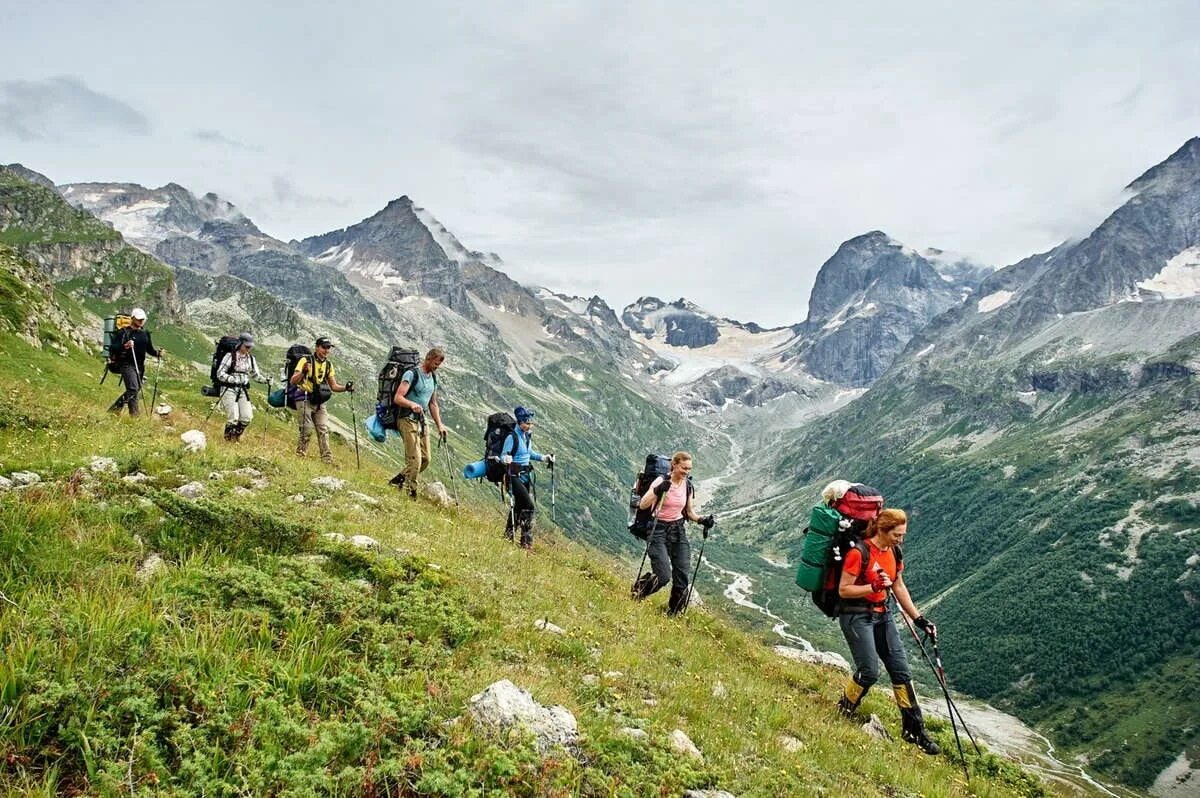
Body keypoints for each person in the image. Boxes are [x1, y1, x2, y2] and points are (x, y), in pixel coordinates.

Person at [836, 507, 941, 755]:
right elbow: (844, 590)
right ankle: (844, 708)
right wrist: (870, 586)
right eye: (897, 534)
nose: (901, 539)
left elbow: (898, 585)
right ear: (882, 530)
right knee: (869, 671)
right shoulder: (858, 552)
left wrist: (919, 619)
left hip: (883, 615)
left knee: (901, 672)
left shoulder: (894, 551)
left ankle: (914, 730)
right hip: (855, 615)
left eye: (903, 535)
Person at [630, 451, 714, 615]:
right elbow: (643, 505)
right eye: (684, 468)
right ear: (674, 465)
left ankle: (673, 613)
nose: (686, 472)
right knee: (663, 576)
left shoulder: (687, 485)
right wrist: (658, 490)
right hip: (658, 529)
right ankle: (638, 591)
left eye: (689, 469)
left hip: (678, 530)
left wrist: (702, 520)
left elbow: (689, 512)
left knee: (682, 575)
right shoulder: (661, 480)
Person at [388, 348, 447, 498]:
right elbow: (398, 398)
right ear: (428, 359)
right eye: (435, 363)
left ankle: (397, 481)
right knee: (415, 460)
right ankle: (411, 492)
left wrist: (440, 425)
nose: (437, 367)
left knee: (426, 459)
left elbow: (433, 403)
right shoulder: (412, 374)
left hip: (421, 421)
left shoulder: (433, 378)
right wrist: (411, 404)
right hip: (406, 419)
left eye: (439, 364)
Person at [289, 336, 353, 464]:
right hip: (304, 397)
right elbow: (293, 380)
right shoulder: (305, 360)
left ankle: (327, 460)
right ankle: (300, 455)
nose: (326, 350)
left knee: (323, 429)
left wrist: (346, 388)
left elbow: (333, 386)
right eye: (324, 347)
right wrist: (303, 372)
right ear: (317, 347)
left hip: (319, 402)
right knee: (306, 428)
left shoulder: (328, 365)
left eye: (328, 348)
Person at [496, 406, 554, 548]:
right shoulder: (512, 437)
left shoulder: (526, 436)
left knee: (519, 506)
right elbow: (504, 455)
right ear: (520, 422)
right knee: (529, 506)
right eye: (527, 423)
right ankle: (526, 542)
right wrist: (505, 459)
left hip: (525, 475)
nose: (530, 425)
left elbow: (528, 453)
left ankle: (508, 536)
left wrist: (543, 458)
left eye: (531, 423)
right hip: (513, 475)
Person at [107, 307, 165, 416]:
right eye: (139, 319)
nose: (141, 321)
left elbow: (149, 349)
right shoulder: (124, 332)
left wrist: (158, 353)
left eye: (143, 319)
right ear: (132, 318)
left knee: (134, 390)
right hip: (126, 364)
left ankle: (114, 410)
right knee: (133, 389)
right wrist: (125, 346)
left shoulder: (145, 334)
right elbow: (113, 348)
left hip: (140, 366)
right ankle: (135, 416)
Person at [214, 333, 268, 442]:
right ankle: (229, 440)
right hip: (228, 389)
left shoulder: (251, 359)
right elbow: (220, 373)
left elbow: (255, 375)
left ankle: (236, 437)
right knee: (233, 417)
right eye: (246, 346)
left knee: (247, 417)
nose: (248, 349)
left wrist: (266, 380)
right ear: (240, 344)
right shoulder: (230, 356)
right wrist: (231, 379)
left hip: (242, 390)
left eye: (250, 347)